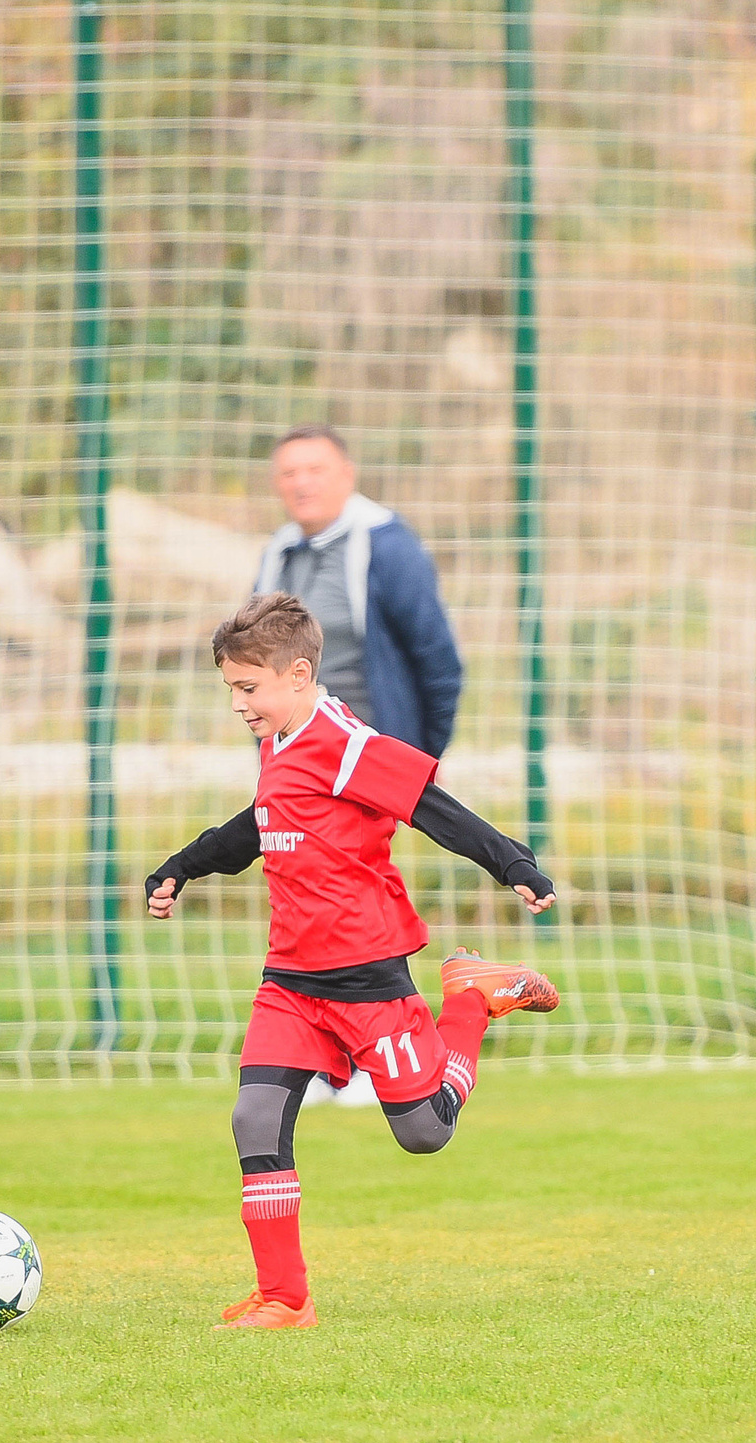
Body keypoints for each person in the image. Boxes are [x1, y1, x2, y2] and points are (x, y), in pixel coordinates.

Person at [144, 594, 556, 1331]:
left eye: (248, 688)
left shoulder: (346, 741)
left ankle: (470, 1000)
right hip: (291, 981)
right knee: (255, 1115)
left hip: (368, 976)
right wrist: (184, 865)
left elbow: (433, 806)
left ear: (298, 674)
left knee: (425, 1130)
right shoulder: (278, 742)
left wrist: (514, 863)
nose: (239, 703)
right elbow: (258, 824)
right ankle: (284, 1297)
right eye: (231, 689)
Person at [256, 424, 466, 1109]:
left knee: (359, 905)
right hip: (299, 769)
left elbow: (438, 661)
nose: (301, 483)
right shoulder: (278, 555)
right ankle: (330, 1060)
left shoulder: (388, 545)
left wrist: (412, 765)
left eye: (315, 468)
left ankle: (390, 1059)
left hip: (366, 764)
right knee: (310, 906)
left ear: (346, 473)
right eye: (289, 472)